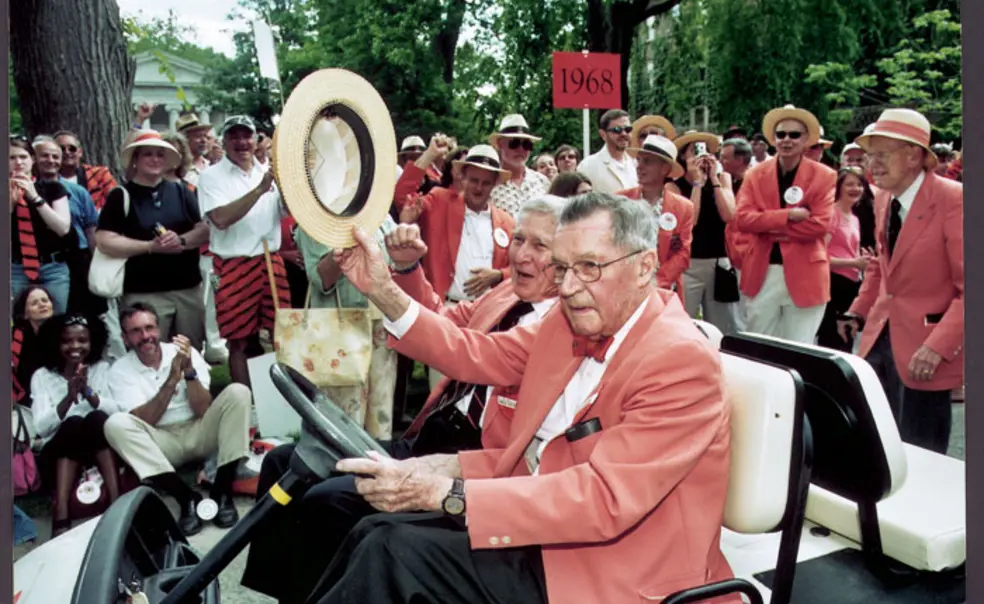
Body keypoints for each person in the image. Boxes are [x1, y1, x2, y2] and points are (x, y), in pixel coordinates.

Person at [302, 192, 735, 604]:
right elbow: (477, 356)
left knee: (393, 553)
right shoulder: (571, 323)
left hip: (615, 571)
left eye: (589, 266)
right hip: (547, 533)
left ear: (644, 268)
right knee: (371, 529)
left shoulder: (680, 360)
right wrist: (381, 287)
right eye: (563, 268)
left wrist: (448, 492)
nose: (567, 287)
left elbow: (603, 498)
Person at [240, 196, 566, 602]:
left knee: (328, 501)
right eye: (518, 239)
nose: (521, 254)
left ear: (569, 256)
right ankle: (293, 595)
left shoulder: (565, 322)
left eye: (540, 245)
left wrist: (379, 286)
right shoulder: (508, 295)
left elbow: (468, 354)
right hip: (434, 436)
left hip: (479, 463)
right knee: (280, 461)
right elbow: (442, 319)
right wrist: (407, 268)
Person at [838, 108, 963, 454]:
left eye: (881, 154)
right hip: (881, 341)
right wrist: (857, 311)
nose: (871, 164)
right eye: (868, 156)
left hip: (926, 350)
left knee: (922, 455)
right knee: (883, 449)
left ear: (913, 155)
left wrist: (937, 346)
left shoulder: (955, 200)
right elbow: (882, 266)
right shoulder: (883, 199)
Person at [102, 303, 252, 535]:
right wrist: (172, 379)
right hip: (162, 441)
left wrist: (189, 372)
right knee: (115, 424)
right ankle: (185, 498)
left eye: (149, 328)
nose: (145, 336)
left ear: (159, 330)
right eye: (136, 331)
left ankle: (222, 491)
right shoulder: (120, 370)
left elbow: (203, 409)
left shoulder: (184, 352)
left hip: (199, 430)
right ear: (125, 338)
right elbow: (146, 418)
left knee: (238, 392)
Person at [734, 105, 836, 343]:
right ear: (773, 139)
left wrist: (767, 227)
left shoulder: (824, 175)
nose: (787, 140)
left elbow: (820, 225)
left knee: (800, 348)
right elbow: (742, 220)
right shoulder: (755, 174)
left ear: (806, 140)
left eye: (794, 135)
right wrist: (787, 217)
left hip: (806, 273)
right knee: (759, 346)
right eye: (781, 134)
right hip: (763, 269)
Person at [31, 313, 120, 536]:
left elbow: (116, 413)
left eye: (82, 340)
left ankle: (117, 503)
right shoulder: (42, 376)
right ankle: (61, 512)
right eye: (67, 341)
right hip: (59, 454)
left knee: (96, 418)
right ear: (55, 343)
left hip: (97, 448)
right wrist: (69, 397)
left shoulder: (102, 368)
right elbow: (41, 428)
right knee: (72, 423)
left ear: (93, 341)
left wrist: (88, 393)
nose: (75, 346)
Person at [617, 134, 695, 303]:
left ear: (665, 169)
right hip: (626, 285)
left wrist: (657, 281)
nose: (640, 167)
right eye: (639, 160)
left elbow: (683, 253)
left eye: (648, 162)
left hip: (664, 290)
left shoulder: (684, 207)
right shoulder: (620, 200)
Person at [815, 167, 873, 351]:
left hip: (851, 286)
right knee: (833, 342)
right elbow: (820, 256)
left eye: (859, 184)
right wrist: (854, 263)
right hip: (834, 286)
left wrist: (862, 260)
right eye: (849, 184)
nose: (855, 188)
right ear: (838, 187)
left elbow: (851, 253)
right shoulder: (832, 214)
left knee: (847, 342)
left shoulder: (854, 217)